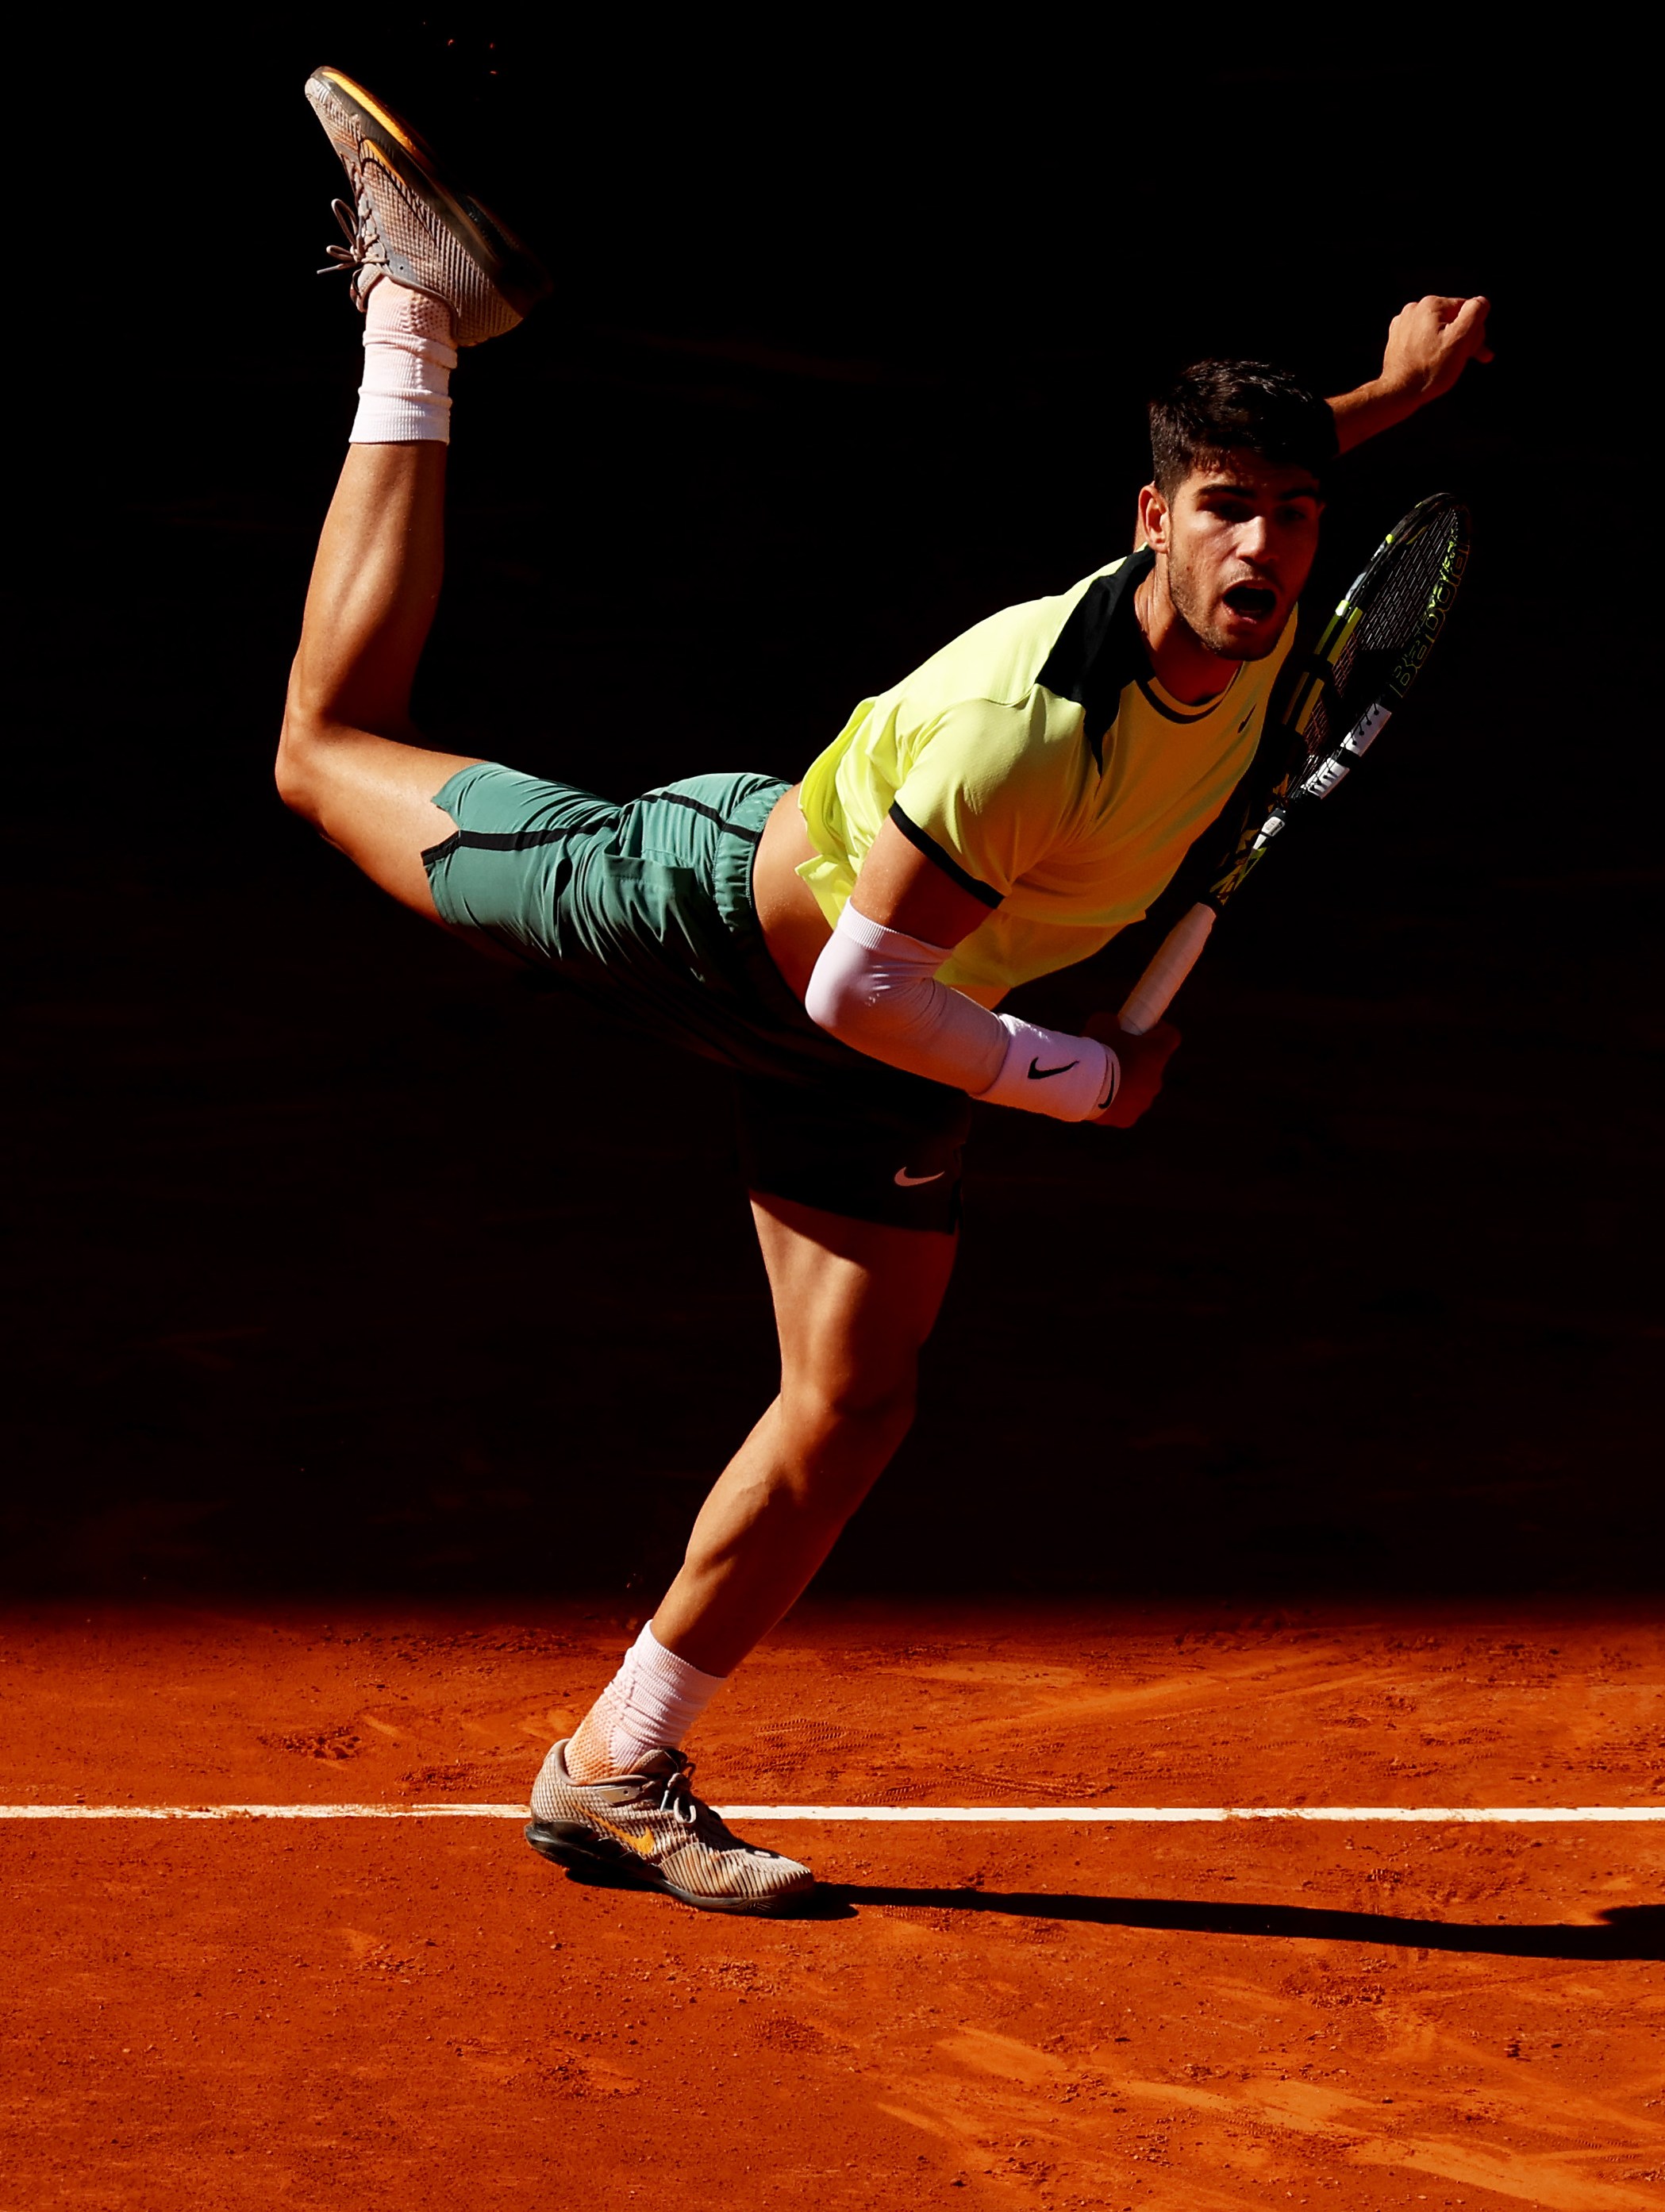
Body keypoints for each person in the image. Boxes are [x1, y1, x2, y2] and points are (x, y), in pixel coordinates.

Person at [279, 67, 1492, 1913]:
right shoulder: (1029, 724)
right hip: (709, 915)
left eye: (1295, 518)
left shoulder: (1262, 579)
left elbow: (1280, 455)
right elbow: (861, 984)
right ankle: (419, 313)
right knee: (322, 750)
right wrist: (1085, 1082)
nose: (1264, 554)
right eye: (1225, 513)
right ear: (1147, 519)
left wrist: (1390, 395)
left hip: (905, 1024)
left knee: (855, 1399)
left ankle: (615, 1763)